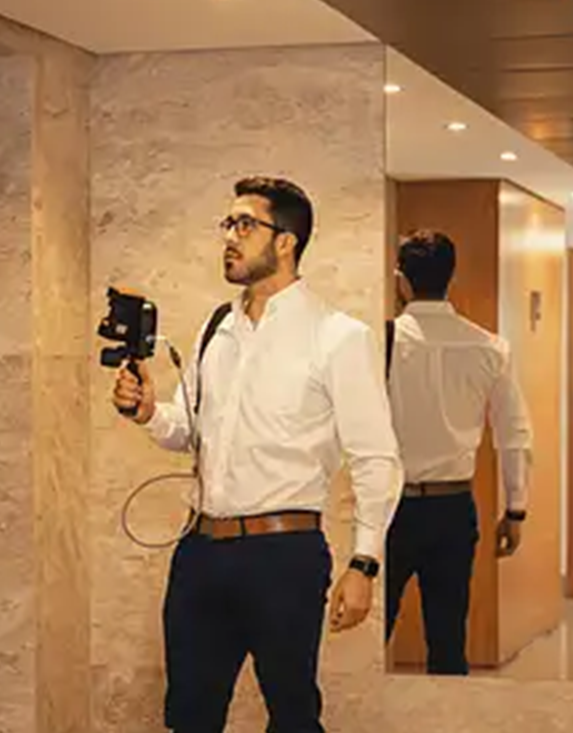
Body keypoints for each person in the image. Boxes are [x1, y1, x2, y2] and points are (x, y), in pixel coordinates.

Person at [112, 176, 402, 733]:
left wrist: (364, 563)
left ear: (286, 241)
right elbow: (187, 430)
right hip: (200, 553)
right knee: (189, 717)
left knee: (292, 717)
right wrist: (149, 412)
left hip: (284, 556)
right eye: (228, 223)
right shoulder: (216, 327)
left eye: (245, 224)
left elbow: (376, 458)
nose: (231, 236)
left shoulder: (337, 336)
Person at [383, 230, 533, 676]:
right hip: (452, 508)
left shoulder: (382, 343)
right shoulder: (488, 346)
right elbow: (514, 433)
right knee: (448, 642)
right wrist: (517, 510)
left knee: (370, 635)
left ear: (400, 281)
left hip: (389, 508)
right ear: (451, 278)